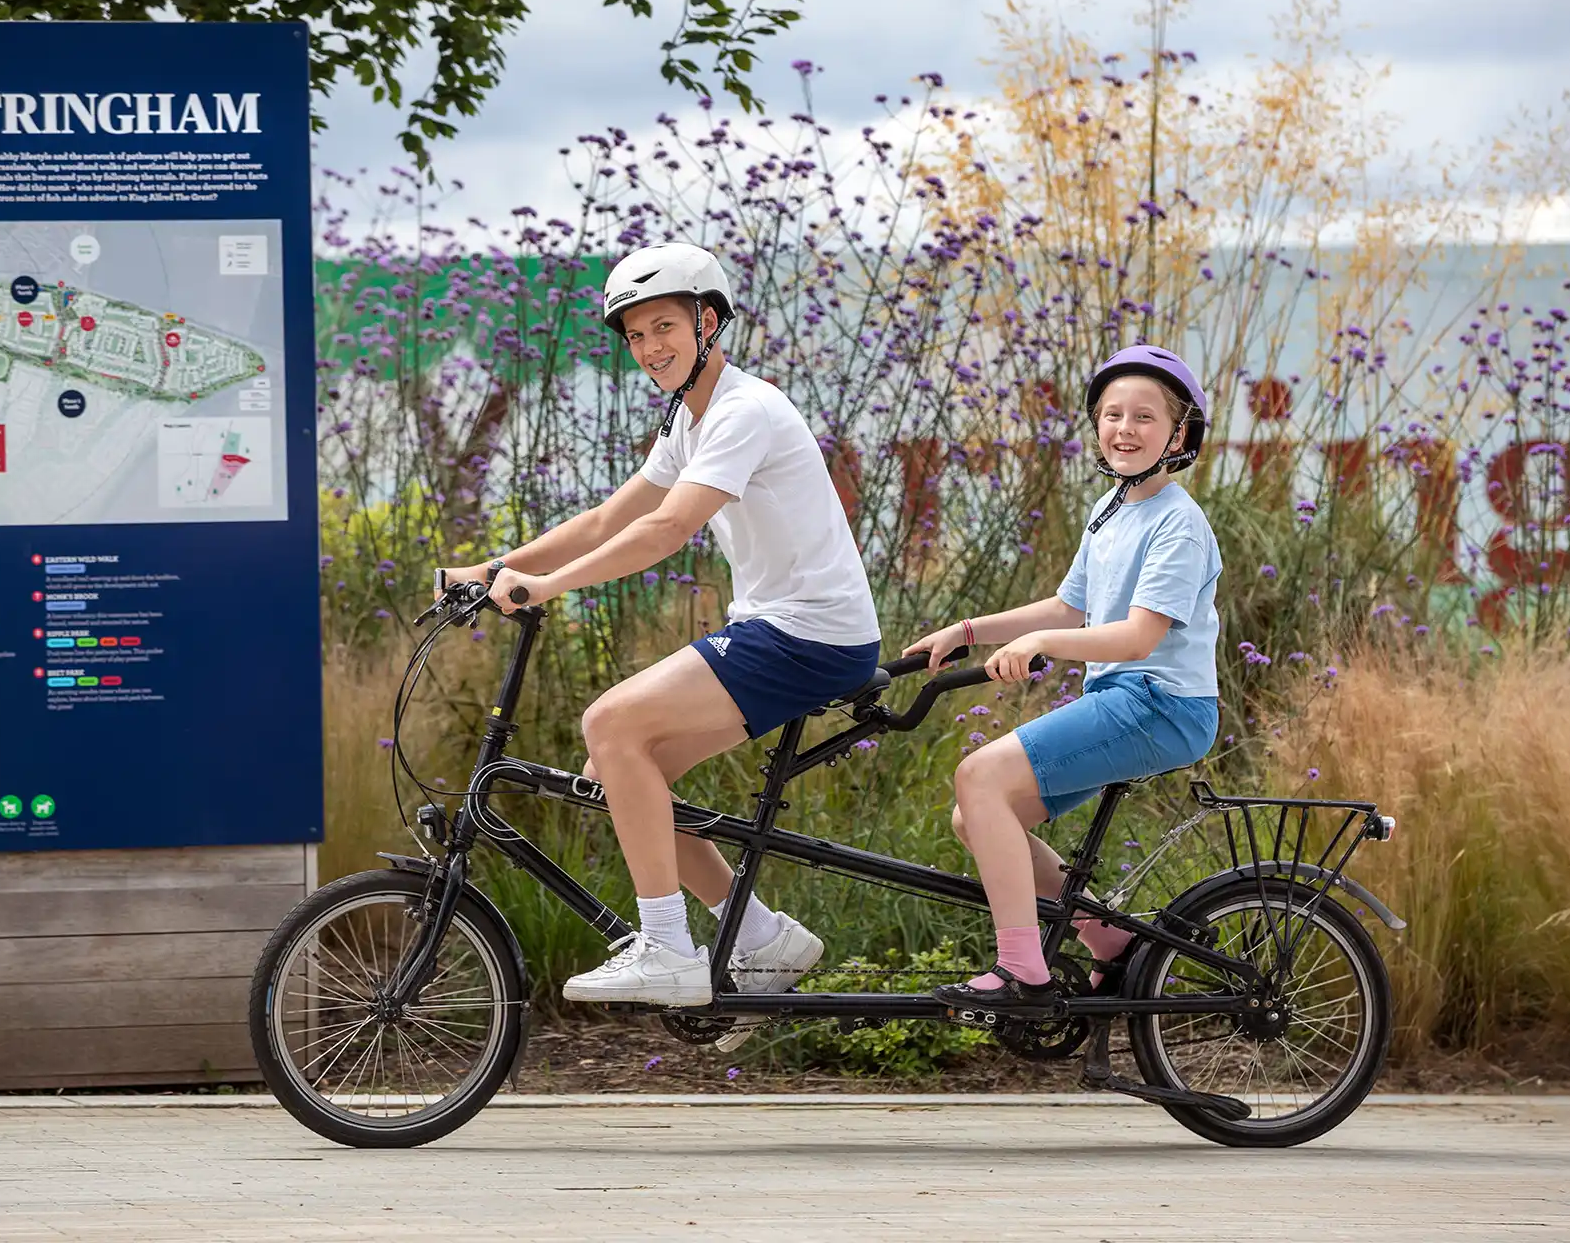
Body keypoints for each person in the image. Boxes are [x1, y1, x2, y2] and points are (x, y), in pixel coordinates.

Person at [438, 243, 882, 1015]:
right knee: (620, 767)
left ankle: (670, 949)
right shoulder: (694, 417)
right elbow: (615, 516)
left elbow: (671, 527)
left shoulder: (744, 410)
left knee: (609, 721)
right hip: (786, 629)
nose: (650, 349)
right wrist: (495, 566)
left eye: (665, 327)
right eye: (636, 336)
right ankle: (762, 940)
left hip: (811, 634)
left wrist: (545, 586)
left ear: (708, 323)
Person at [901, 345, 1223, 1015]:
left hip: (1162, 705)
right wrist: (966, 631)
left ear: (1180, 434)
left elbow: (1138, 637)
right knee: (980, 815)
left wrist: (1044, 643)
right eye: (1112, 415)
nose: (1125, 429)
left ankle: (1024, 970)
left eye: (1144, 417)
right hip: (1123, 699)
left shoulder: (1177, 525)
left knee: (979, 776)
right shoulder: (1112, 507)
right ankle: (1115, 946)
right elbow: (1068, 607)